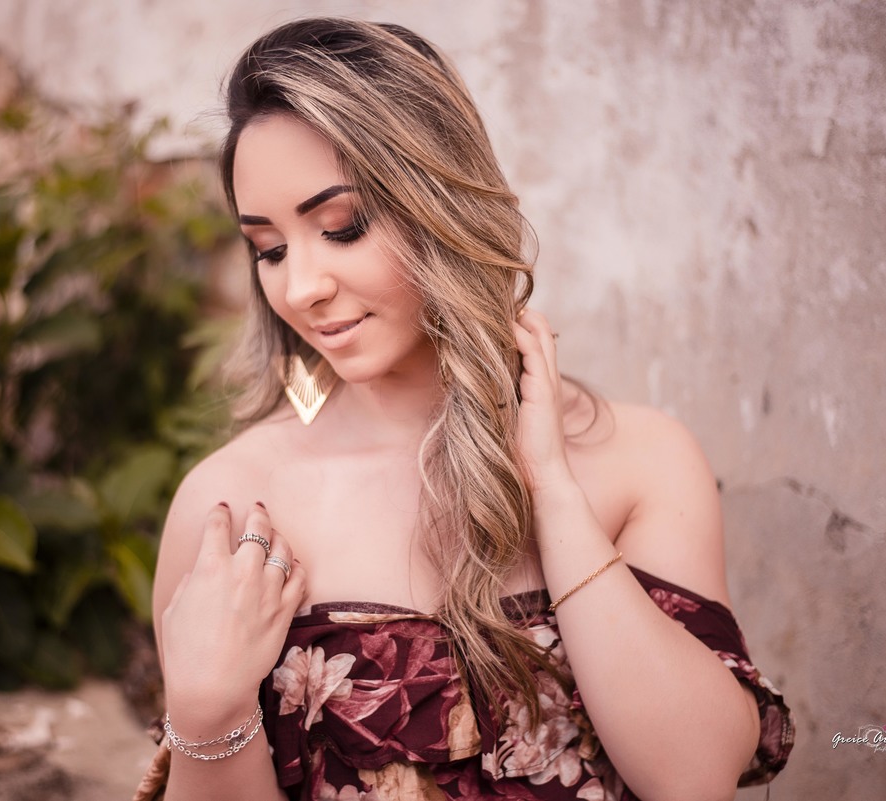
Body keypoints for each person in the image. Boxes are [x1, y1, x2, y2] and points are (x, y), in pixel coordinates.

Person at [135, 17, 793, 801]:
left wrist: (552, 492)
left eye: (342, 228)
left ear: (440, 204)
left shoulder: (641, 460)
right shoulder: (233, 511)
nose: (301, 287)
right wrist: (207, 710)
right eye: (270, 249)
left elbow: (694, 777)